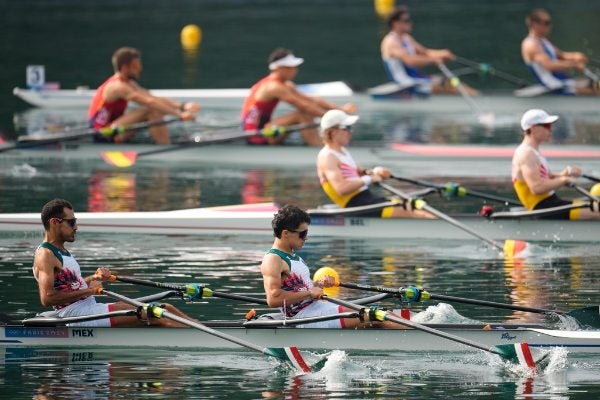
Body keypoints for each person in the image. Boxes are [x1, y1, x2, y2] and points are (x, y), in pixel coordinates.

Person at [33, 198, 196, 327]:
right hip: (78, 316)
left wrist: (93, 278)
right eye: (71, 222)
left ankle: (200, 330)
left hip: (89, 309)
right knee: (160, 312)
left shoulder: (62, 251)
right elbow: (47, 299)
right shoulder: (45, 254)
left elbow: (71, 286)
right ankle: (200, 336)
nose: (76, 227)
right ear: (55, 222)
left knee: (165, 309)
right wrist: (90, 291)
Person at [260, 204, 409, 329]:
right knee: (375, 315)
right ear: (286, 233)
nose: (306, 237)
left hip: (316, 309)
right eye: (302, 233)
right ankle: (422, 335)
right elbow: (273, 299)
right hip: (304, 317)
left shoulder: (293, 256)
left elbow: (298, 288)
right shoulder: (273, 259)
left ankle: (415, 328)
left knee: (380, 313)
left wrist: (318, 284)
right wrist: (310, 293)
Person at [317, 109, 433, 218]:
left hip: (366, 200)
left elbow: (357, 172)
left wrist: (375, 172)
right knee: (412, 212)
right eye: (347, 127)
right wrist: (370, 178)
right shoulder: (327, 156)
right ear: (332, 132)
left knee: (408, 204)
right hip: (356, 206)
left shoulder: (341, 151)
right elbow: (341, 189)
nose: (350, 131)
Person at [241, 47, 357, 146]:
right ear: (280, 68)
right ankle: (319, 149)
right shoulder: (273, 87)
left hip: (267, 129)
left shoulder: (286, 84)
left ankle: (321, 145)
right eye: (291, 67)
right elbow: (305, 106)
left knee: (306, 112)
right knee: (302, 114)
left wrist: (341, 110)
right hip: (256, 135)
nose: (295, 70)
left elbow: (312, 100)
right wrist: (336, 119)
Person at [88, 47, 201, 144]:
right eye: (136, 66)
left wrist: (182, 106)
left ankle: (164, 143)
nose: (140, 69)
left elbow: (153, 98)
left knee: (157, 109)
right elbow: (148, 102)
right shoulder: (118, 87)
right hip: (102, 134)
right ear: (124, 68)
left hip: (114, 128)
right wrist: (179, 115)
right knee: (150, 110)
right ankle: (165, 147)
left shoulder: (129, 83)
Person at [512, 109, 600, 220]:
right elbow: (537, 188)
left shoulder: (532, 151)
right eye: (547, 126)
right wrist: (563, 180)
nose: (551, 130)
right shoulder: (526, 154)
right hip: (544, 209)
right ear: (534, 128)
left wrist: (565, 174)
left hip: (551, 204)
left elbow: (547, 178)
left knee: (596, 207)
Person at [380, 6, 477, 96]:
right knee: (452, 85)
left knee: (455, 82)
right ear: (395, 23)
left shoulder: (406, 38)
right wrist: (433, 60)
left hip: (418, 79)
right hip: (406, 84)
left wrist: (443, 53)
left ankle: (479, 97)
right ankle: (479, 102)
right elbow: (410, 61)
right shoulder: (391, 42)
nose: (410, 23)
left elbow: (425, 52)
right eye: (406, 20)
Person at [521, 8, 598, 95]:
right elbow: (550, 65)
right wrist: (574, 64)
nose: (550, 26)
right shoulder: (531, 45)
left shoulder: (543, 41)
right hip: (553, 87)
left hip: (563, 82)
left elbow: (561, 56)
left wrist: (575, 56)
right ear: (535, 24)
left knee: (596, 84)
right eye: (547, 23)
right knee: (596, 88)